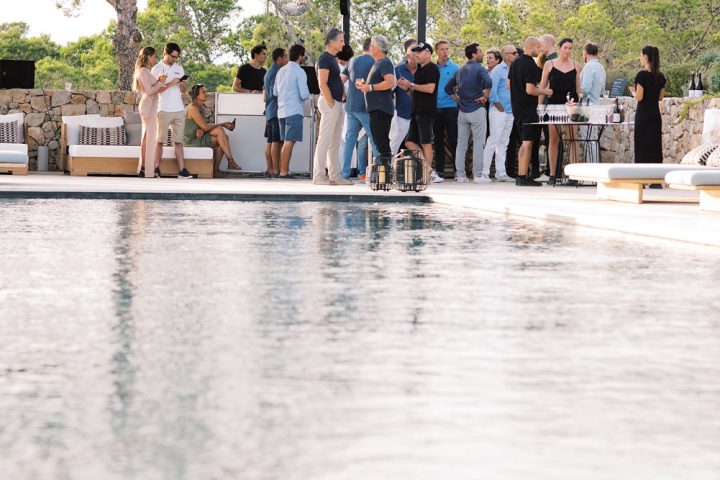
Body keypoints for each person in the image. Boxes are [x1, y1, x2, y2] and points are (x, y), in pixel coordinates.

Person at [444, 43, 493, 183]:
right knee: (478, 143)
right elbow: (489, 81)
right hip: (477, 109)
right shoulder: (479, 68)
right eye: (480, 51)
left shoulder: (460, 70)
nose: (482, 53)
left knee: (461, 144)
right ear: (473, 54)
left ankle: (460, 175)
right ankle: (477, 175)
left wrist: (458, 100)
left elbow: (448, 88)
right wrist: (485, 96)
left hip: (462, 111)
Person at [508, 36, 552, 186]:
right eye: (538, 47)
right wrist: (545, 91)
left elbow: (509, 85)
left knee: (525, 142)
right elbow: (530, 90)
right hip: (527, 108)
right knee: (527, 143)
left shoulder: (515, 63)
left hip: (517, 107)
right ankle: (521, 176)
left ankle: (522, 175)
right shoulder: (530, 65)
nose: (540, 50)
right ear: (532, 47)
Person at [539, 37, 581, 185]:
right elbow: (542, 86)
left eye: (570, 48)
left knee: (572, 139)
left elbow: (578, 88)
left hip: (571, 105)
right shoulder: (549, 64)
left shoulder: (576, 65)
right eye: (565, 48)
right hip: (554, 105)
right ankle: (552, 174)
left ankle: (574, 176)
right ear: (559, 48)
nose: (567, 51)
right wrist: (540, 107)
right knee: (553, 139)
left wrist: (580, 103)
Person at [313, 28, 352, 185]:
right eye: (341, 41)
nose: (343, 44)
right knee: (324, 140)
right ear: (332, 41)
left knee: (334, 142)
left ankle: (335, 175)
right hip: (330, 103)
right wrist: (331, 103)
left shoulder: (331, 59)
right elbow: (322, 83)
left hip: (335, 103)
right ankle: (318, 176)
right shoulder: (324, 59)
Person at [397, 42, 440, 180]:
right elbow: (415, 92)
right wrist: (406, 88)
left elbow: (430, 89)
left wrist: (410, 84)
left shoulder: (432, 68)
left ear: (428, 53)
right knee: (409, 142)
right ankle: (427, 169)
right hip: (416, 111)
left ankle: (429, 174)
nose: (416, 54)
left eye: (419, 52)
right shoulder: (419, 70)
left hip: (426, 111)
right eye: (415, 52)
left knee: (426, 142)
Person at [151, 42, 191, 178]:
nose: (174, 59)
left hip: (179, 109)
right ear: (165, 53)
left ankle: (182, 171)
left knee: (178, 141)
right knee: (160, 141)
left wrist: (181, 85)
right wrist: (170, 83)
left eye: (176, 57)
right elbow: (156, 90)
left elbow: (183, 91)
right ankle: (155, 169)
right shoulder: (156, 69)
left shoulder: (179, 68)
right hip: (163, 108)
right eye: (172, 56)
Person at [341, 38, 378, 180]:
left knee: (350, 141)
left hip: (351, 106)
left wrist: (344, 95)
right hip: (366, 106)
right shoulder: (375, 62)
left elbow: (341, 79)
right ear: (372, 47)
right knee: (374, 139)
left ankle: (344, 173)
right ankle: (379, 173)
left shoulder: (352, 61)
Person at [185, 84, 241, 177]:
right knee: (220, 130)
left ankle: (219, 168)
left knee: (224, 138)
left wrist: (203, 130)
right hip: (190, 140)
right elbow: (206, 127)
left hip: (198, 136)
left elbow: (203, 127)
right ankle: (229, 162)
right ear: (197, 95)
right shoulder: (193, 108)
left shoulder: (201, 108)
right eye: (203, 92)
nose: (206, 94)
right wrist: (223, 124)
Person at [356, 35, 396, 162]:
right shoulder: (378, 63)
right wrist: (365, 86)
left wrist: (370, 87)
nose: (370, 48)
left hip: (381, 108)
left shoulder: (385, 62)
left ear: (378, 48)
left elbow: (390, 82)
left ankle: (386, 169)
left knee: (381, 143)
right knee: (379, 142)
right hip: (375, 108)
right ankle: (384, 168)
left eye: (372, 46)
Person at [274, 44, 310, 178]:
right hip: (294, 110)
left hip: (281, 111)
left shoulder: (280, 71)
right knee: (289, 142)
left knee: (285, 141)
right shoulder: (299, 71)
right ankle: (283, 172)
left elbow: (275, 92)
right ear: (300, 56)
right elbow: (304, 94)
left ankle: (284, 170)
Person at [483, 45, 517, 183]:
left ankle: (501, 173)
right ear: (506, 55)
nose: (516, 55)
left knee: (504, 143)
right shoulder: (497, 70)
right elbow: (492, 91)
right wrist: (499, 106)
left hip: (510, 111)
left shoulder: (514, 69)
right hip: (499, 111)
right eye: (514, 53)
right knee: (493, 141)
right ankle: (484, 173)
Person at [133, 46, 167, 178]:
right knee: (149, 138)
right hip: (148, 106)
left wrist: (158, 81)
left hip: (149, 106)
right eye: (154, 56)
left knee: (147, 137)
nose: (155, 58)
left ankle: (144, 168)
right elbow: (149, 91)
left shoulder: (144, 71)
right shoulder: (143, 71)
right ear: (148, 56)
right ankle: (146, 169)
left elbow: (151, 88)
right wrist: (160, 83)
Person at [633, 46, 666, 171]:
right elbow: (660, 98)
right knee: (654, 145)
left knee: (642, 145)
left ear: (646, 57)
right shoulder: (660, 76)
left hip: (643, 115)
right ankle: (655, 175)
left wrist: (633, 93)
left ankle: (642, 174)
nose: (640, 58)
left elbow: (640, 97)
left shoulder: (642, 75)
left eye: (641, 56)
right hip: (655, 115)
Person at [432, 41, 459, 183]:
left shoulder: (456, 68)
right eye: (442, 49)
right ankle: (440, 171)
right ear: (436, 51)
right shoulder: (432, 68)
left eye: (447, 49)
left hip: (451, 108)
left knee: (454, 139)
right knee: (438, 141)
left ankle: (457, 170)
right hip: (435, 108)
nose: (445, 52)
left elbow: (461, 86)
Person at [263, 47, 288, 178]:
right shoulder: (277, 72)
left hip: (269, 110)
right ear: (279, 59)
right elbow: (274, 92)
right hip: (275, 110)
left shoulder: (269, 71)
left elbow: (266, 94)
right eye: (285, 57)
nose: (287, 59)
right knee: (276, 141)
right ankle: (276, 170)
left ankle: (271, 169)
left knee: (271, 141)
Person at [389, 40, 417, 156]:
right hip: (402, 115)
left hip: (420, 115)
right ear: (407, 54)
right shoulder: (398, 70)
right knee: (393, 145)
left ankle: (423, 167)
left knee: (418, 145)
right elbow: (390, 92)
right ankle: (387, 166)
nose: (417, 53)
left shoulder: (425, 70)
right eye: (413, 50)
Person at [579, 42, 607, 163]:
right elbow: (602, 90)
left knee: (588, 139)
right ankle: (594, 166)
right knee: (593, 139)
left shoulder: (588, 66)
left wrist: (576, 90)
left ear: (585, 53)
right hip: (597, 106)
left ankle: (591, 167)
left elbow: (585, 89)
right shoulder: (601, 67)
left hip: (587, 107)